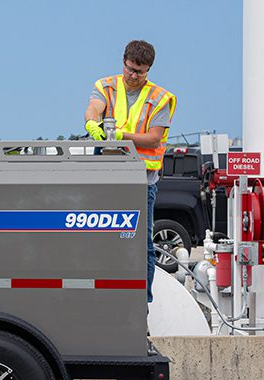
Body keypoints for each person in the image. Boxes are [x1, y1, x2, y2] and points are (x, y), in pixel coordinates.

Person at [83, 40, 177, 304]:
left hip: (141, 182)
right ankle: (101, 298)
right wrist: (92, 123)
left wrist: (120, 136)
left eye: (140, 71)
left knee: (141, 244)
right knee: (102, 238)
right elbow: (94, 107)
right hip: (108, 178)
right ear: (123, 62)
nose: (134, 76)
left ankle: (141, 305)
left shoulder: (160, 98)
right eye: (130, 69)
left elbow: (153, 139)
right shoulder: (106, 86)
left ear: (149, 70)